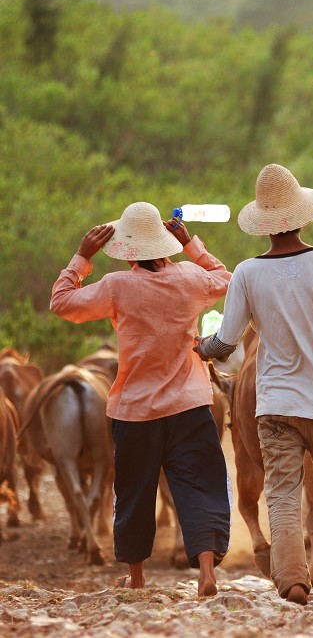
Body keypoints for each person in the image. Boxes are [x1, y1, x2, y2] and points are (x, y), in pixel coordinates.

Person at [196, 163, 313, 608]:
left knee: (281, 494)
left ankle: (293, 579)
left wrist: (200, 346)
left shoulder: (246, 272)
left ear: (263, 224)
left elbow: (226, 342)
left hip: (275, 403)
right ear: (303, 216)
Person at [50, 201, 232, 596]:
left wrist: (82, 258)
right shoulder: (190, 278)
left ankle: (136, 578)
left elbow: (61, 303)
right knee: (200, 486)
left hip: (135, 411)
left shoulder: (117, 286)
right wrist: (193, 248)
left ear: (127, 249)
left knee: (134, 492)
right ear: (165, 241)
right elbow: (229, 281)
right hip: (191, 406)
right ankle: (206, 573)